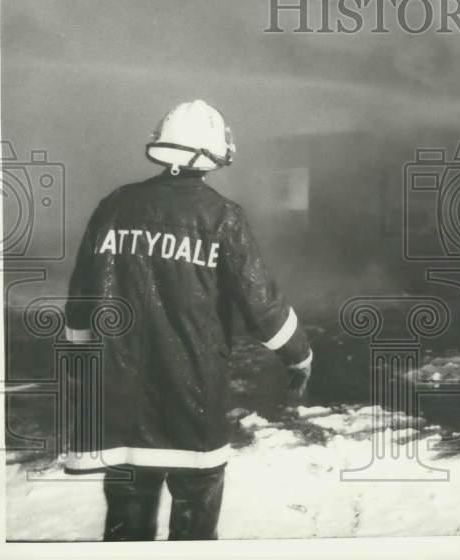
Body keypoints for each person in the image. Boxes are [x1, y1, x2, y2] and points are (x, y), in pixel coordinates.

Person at [63, 100, 313, 541]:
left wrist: (81, 355)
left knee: (126, 525)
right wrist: (299, 355)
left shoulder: (114, 206)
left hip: (119, 399)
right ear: (212, 153)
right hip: (192, 399)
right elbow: (261, 302)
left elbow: (82, 294)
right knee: (195, 529)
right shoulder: (222, 217)